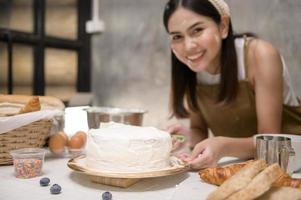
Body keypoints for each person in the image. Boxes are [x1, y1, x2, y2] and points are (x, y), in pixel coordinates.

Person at [163, 0, 301, 170]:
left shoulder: (259, 54)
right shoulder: (193, 66)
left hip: (292, 166)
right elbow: (199, 128)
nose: (188, 46)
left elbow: (270, 142)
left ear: (223, 26)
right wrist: (186, 138)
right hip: (248, 167)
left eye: (197, 30)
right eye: (177, 36)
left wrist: (223, 146)